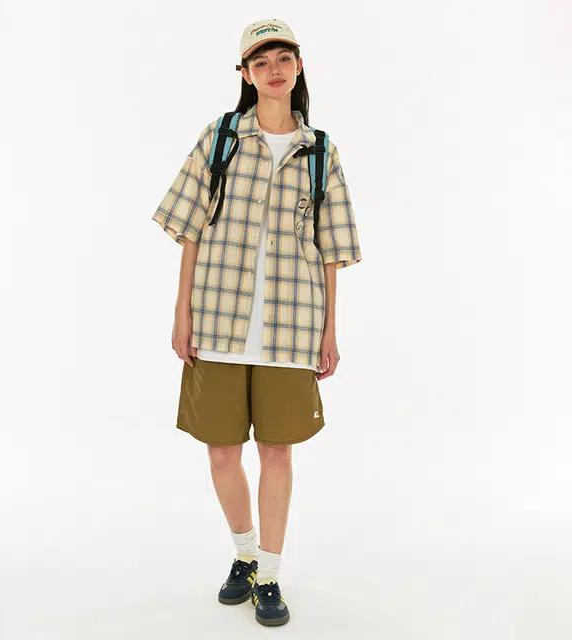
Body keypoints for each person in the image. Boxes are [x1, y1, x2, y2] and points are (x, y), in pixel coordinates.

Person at [152, 17, 362, 626]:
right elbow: (189, 230)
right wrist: (181, 312)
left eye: (283, 58)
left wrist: (330, 330)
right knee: (222, 454)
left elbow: (332, 250)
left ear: (299, 66)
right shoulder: (220, 138)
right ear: (244, 73)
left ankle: (269, 573)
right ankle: (244, 554)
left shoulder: (320, 152)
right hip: (217, 319)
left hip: (292, 328)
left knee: (276, 452)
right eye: (261, 61)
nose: (274, 70)